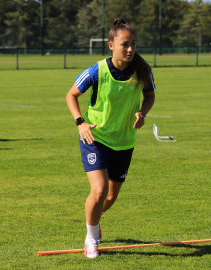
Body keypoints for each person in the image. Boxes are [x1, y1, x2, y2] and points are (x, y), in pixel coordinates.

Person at [66, 18, 156, 258]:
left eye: (133, 44)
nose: (130, 49)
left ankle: (94, 221)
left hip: (125, 141)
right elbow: (71, 95)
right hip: (95, 137)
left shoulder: (143, 69)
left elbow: (149, 96)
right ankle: (91, 239)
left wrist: (142, 113)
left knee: (110, 198)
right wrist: (80, 123)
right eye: (125, 44)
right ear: (111, 46)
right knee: (99, 190)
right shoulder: (97, 70)